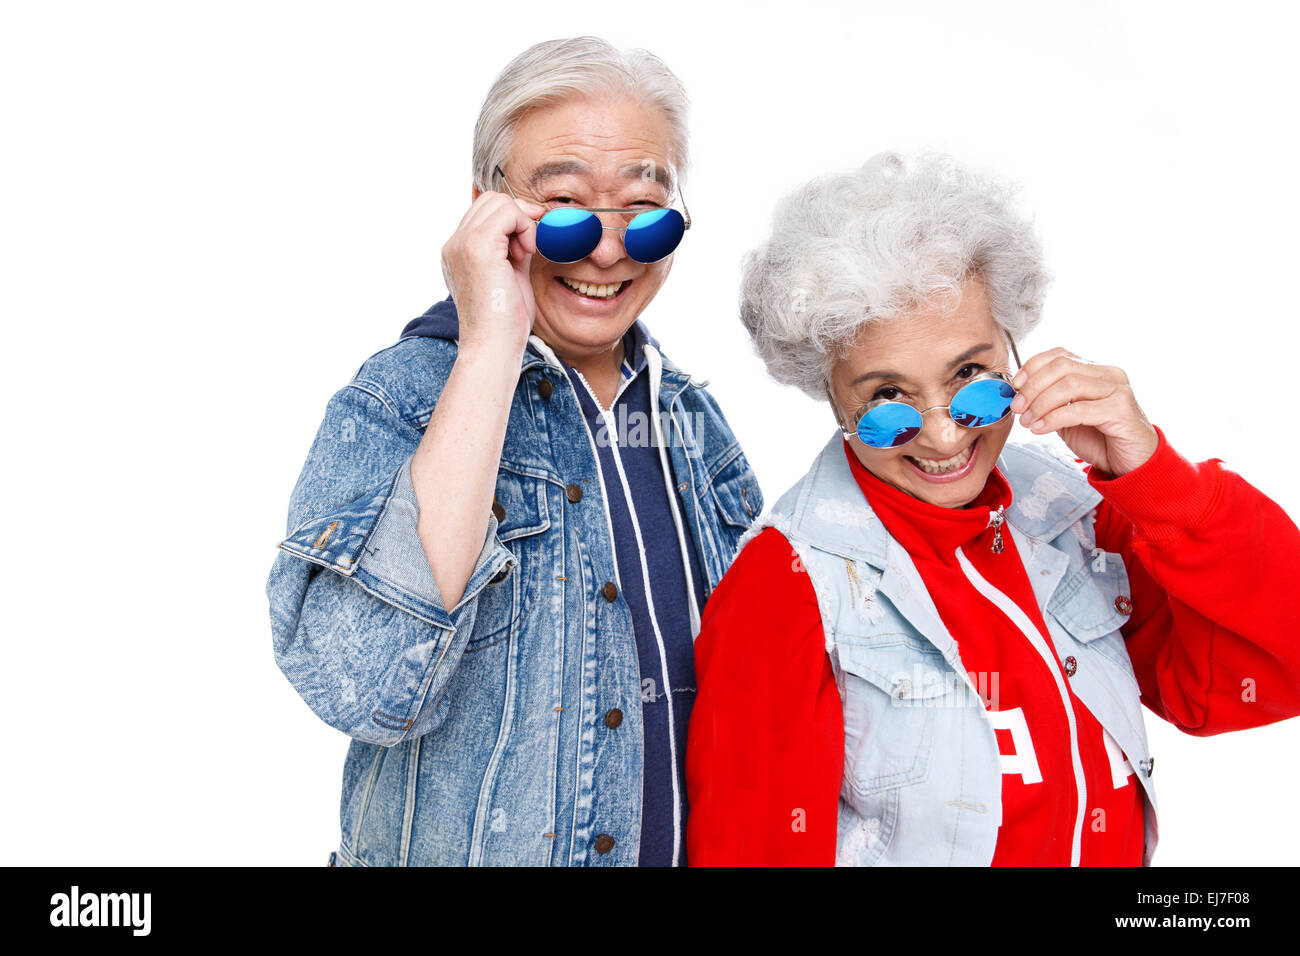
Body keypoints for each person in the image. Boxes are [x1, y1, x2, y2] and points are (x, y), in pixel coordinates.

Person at [684, 151, 1300, 865]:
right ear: (831, 399)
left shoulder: (1069, 511)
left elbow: (1271, 662)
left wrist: (1159, 478)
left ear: (1014, 352)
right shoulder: (788, 584)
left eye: (974, 381)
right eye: (887, 402)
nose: (946, 436)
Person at [266, 36, 762, 867]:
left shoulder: (693, 422)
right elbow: (366, 686)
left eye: (645, 214)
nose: (608, 252)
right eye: (564, 211)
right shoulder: (401, 399)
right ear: (485, 212)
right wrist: (491, 339)